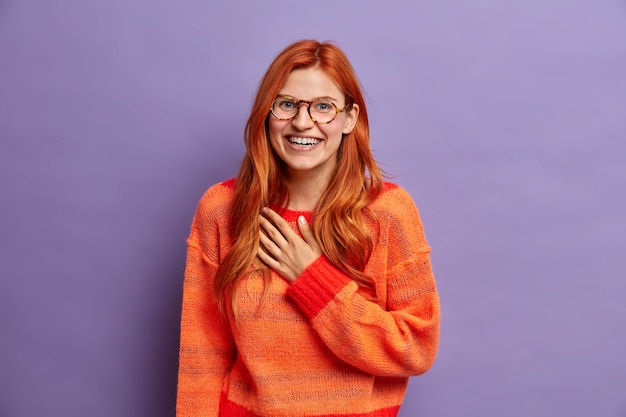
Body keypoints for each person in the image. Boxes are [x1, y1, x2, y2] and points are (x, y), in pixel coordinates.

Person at [176, 39, 440, 417]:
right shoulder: (222, 209)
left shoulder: (387, 213)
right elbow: (201, 355)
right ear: (267, 114)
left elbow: (415, 347)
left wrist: (313, 278)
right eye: (287, 104)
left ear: (350, 118)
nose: (302, 122)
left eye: (323, 108)